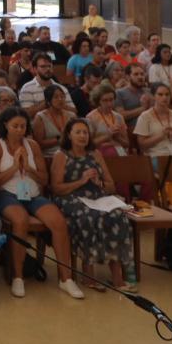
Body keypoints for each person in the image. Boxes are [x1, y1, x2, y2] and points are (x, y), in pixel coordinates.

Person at [0, 106, 82, 300]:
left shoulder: (33, 146)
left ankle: (66, 278)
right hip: (6, 194)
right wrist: (14, 166)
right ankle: (18, 276)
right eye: (15, 126)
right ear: (5, 125)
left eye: (23, 126)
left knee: (58, 222)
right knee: (20, 220)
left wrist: (27, 168)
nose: (20, 130)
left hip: (33, 194)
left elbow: (44, 179)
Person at [50, 118, 136, 291]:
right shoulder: (61, 155)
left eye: (85, 133)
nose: (82, 136)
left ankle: (118, 278)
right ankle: (88, 275)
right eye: (78, 132)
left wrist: (99, 183)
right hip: (70, 197)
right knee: (89, 217)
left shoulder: (95, 154)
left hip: (97, 197)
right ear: (69, 135)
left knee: (117, 215)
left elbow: (111, 185)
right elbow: (57, 188)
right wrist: (81, 181)